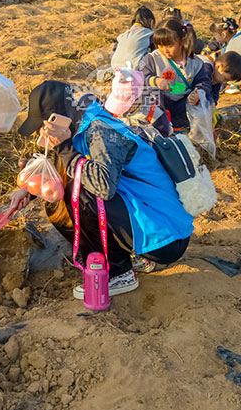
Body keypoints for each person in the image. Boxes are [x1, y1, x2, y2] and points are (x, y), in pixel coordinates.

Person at [12, 81, 195, 298]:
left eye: (43, 125)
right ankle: (127, 256)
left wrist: (63, 147)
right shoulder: (81, 126)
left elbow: (103, 187)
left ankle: (119, 273)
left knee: (83, 194)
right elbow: (65, 173)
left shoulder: (100, 132)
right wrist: (30, 191)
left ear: (58, 118)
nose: (41, 133)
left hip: (167, 236)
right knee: (60, 203)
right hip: (149, 216)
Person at [137, 19, 210, 133]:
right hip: (160, 103)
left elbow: (204, 82)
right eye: (160, 46)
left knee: (202, 101)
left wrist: (198, 93)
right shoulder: (152, 59)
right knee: (150, 93)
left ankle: (178, 126)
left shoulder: (196, 63)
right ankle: (159, 126)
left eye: (169, 46)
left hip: (182, 104)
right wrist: (156, 81)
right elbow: (140, 76)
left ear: (182, 40)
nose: (164, 50)